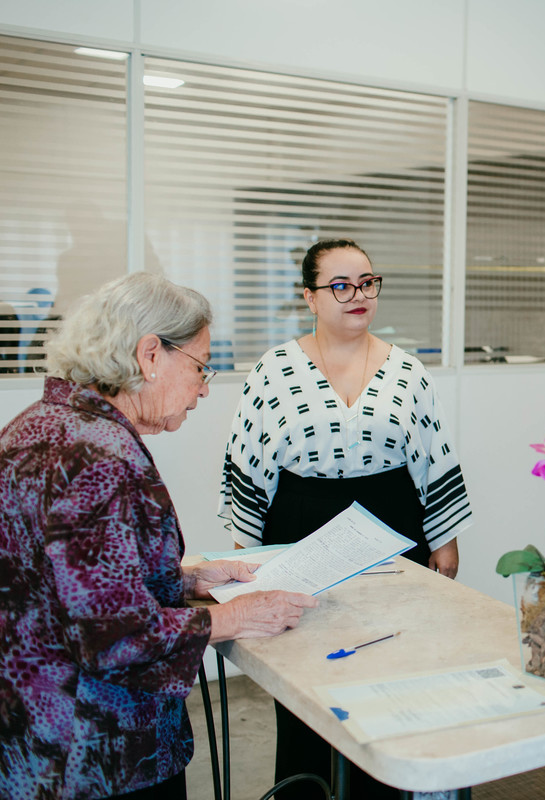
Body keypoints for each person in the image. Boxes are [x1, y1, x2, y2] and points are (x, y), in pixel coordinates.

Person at [0, 272, 317, 800]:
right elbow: (115, 637)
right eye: (199, 366)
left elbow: (65, 580)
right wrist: (235, 616)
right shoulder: (97, 456)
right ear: (150, 355)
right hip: (95, 755)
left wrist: (186, 579)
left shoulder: (39, 425)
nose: (203, 386)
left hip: (34, 736)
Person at [220, 238, 474, 799]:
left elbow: (432, 456)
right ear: (310, 296)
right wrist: (245, 556)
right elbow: (249, 460)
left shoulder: (407, 370)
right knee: (306, 679)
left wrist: (444, 538)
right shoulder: (275, 369)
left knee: (388, 668)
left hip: (392, 526)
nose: (357, 296)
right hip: (299, 526)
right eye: (340, 285)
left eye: (366, 282)